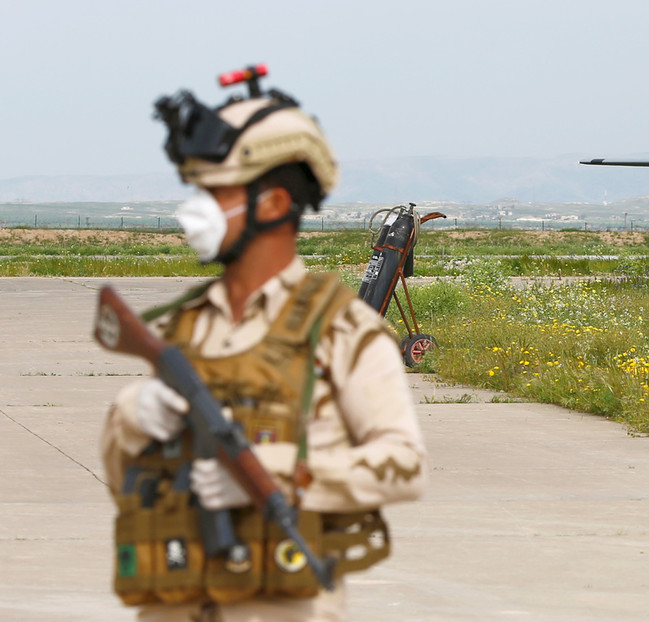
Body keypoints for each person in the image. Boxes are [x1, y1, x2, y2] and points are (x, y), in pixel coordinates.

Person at [99, 66, 426, 622]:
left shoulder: (343, 330)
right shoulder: (190, 325)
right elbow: (125, 484)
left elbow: (402, 464)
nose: (196, 208)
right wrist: (132, 419)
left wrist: (279, 474)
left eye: (218, 191)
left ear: (274, 204)